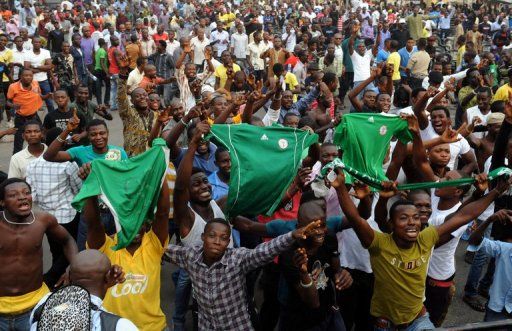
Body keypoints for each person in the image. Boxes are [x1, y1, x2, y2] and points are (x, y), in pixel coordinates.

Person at [333, 167, 510, 329]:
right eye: (403, 218)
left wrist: (495, 192)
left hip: (418, 320)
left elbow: (464, 215)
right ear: (391, 224)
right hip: (384, 323)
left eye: (416, 218)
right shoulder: (379, 243)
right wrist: (340, 187)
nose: (412, 222)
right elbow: (355, 218)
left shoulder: (426, 238)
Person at [82, 179, 170, 331]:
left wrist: (159, 173)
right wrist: (90, 185)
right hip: (114, 327)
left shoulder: (154, 244)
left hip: (154, 327)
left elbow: (162, 213)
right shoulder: (105, 247)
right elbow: (94, 223)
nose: (133, 227)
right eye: (127, 221)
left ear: (147, 223)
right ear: (117, 221)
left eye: (139, 221)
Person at [0, 178, 77, 330]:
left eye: (26, 193)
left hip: (36, 305)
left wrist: (74, 266)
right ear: (2, 202)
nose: (22, 197)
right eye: (13, 195)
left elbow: (67, 240)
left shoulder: (43, 220)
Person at [26, 127, 82, 289]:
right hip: (68, 215)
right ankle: (51, 280)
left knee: (56, 250)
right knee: (71, 248)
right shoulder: (67, 164)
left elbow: (32, 194)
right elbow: (78, 190)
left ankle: (56, 282)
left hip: (46, 217)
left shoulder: (33, 165)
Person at [6, 69, 45, 154]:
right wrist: (13, 106)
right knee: (18, 142)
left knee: (42, 137)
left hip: (34, 116)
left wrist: (47, 96)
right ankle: (16, 162)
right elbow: (8, 102)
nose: (28, 77)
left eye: (30, 75)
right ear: (20, 77)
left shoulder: (35, 83)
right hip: (20, 118)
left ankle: (44, 157)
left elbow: (40, 95)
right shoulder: (13, 87)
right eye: (26, 75)